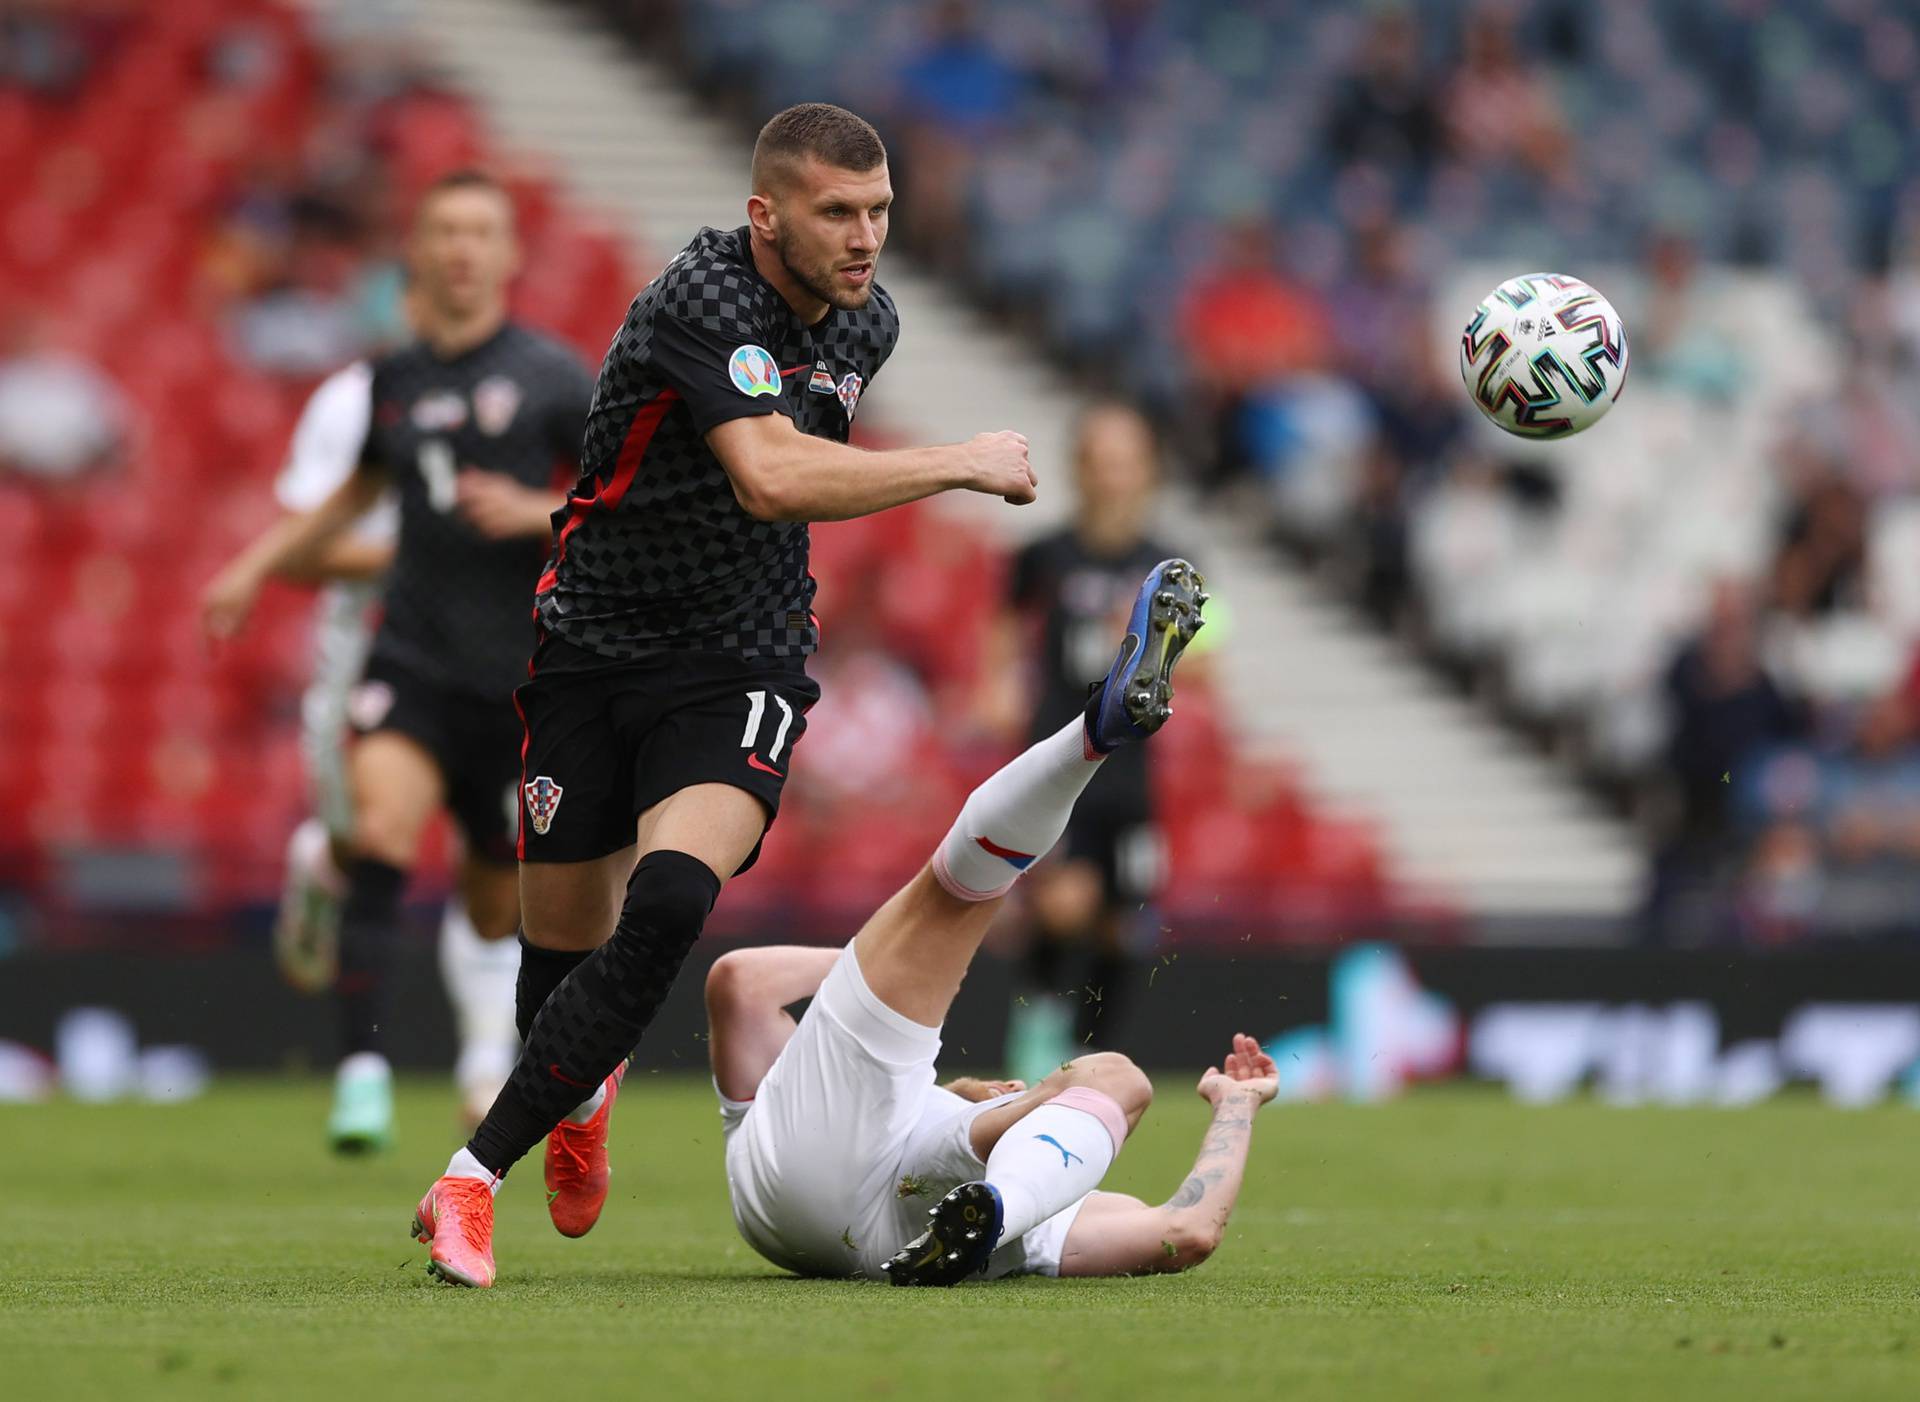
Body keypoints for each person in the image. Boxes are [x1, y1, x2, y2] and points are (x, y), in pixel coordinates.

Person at [406, 101, 1035, 1259]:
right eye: (836, 212)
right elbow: (767, 474)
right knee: (558, 953)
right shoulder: (701, 300)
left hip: (738, 656)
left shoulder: (865, 322)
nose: (863, 237)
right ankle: (580, 1092)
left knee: (669, 907)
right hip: (592, 647)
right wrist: (960, 462)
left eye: (879, 212)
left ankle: (468, 1179)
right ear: (765, 214)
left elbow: (793, 482)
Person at [413, 560, 1254, 1289]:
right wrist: (1237, 1104)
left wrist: (880, 956)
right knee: (1112, 1085)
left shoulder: (830, 1102)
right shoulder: (1020, 1175)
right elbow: (1188, 1228)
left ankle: (1093, 734)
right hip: (880, 1233)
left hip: (798, 1190)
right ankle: (993, 1218)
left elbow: (738, 981)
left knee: (956, 898)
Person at [200, 169, 595, 1151]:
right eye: (444, 231)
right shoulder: (392, 380)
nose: (462, 248)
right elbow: (346, 497)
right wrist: (251, 570)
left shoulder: (553, 376)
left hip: (515, 681)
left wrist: (534, 515)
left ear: (509, 256)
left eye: (480, 232)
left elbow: (623, 505)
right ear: (417, 254)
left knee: (491, 901)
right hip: (410, 657)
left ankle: (486, 1057)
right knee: (381, 833)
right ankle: (362, 1073)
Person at [200, 336, 523, 1131]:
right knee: (370, 837)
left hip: (492, 662)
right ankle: (323, 858)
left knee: (494, 854)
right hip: (369, 653)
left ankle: (484, 1066)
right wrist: (418, 557)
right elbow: (306, 554)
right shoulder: (355, 397)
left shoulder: (532, 386)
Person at [979, 402, 1186, 1083]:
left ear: (1148, 470)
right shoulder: (1045, 556)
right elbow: (1003, 639)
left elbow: (1206, 654)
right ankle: (1035, 1041)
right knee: (1063, 906)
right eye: (1101, 459)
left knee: (1122, 925)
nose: (1114, 475)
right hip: (1060, 758)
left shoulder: (1168, 564)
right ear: (1080, 469)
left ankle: (1092, 1054)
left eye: (1126, 459)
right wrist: (999, 685)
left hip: (1132, 773)